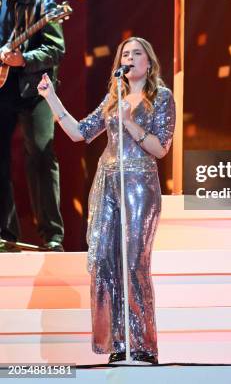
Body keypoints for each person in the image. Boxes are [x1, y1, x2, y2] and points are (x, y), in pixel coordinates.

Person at [37, 37, 175, 365]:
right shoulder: (114, 96)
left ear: (149, 61)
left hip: (139, 185)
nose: (129, 58)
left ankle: (144, 345)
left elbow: (161, 148)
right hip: (109, 183)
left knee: (133, 263)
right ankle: (119, 342)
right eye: (125, 54)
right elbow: (80, 132)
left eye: (136, 53)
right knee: (106, 263)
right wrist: (51, 97)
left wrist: (129, 122)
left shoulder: (162, 96)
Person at [0, 0, 65, 252]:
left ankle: (52, 236)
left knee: (40, 153)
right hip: (1, 89)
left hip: (33, 89)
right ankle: (4, 233)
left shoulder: (44, 1)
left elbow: (56, 49)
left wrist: (23, 59)